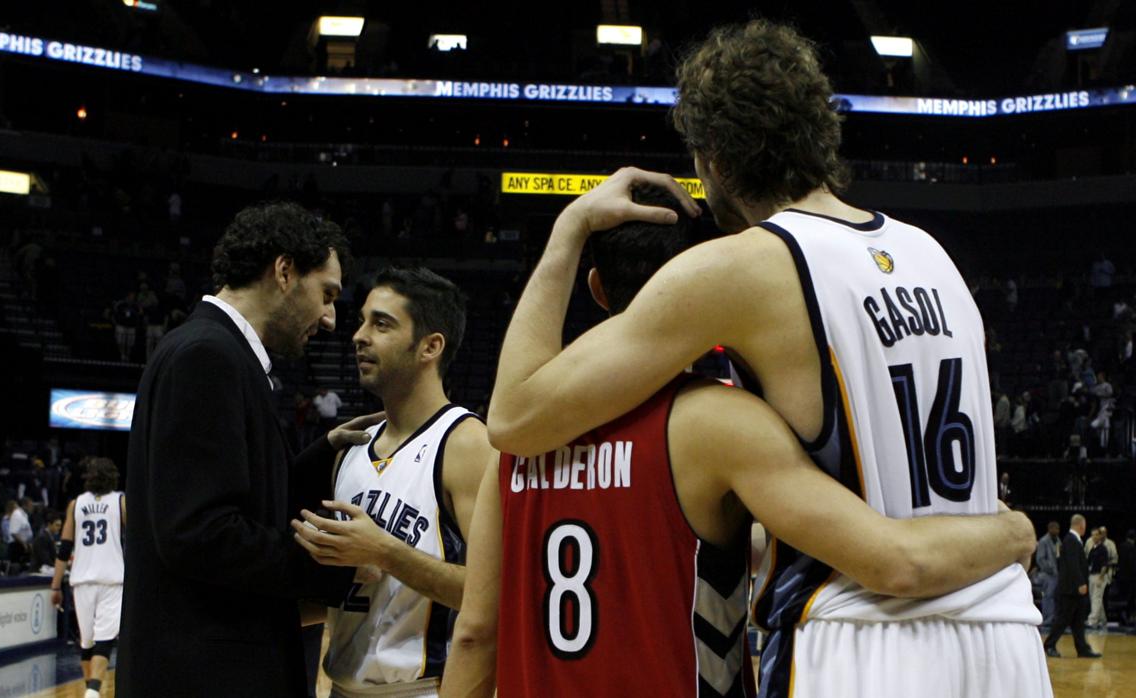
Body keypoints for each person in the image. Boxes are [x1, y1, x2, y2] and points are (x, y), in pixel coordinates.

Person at [484, 21, 1049, 697]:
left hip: (867, 636)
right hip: (1004, 630)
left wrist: (568, 227)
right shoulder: (934, 255)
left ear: (713, 161)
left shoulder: (745, 265)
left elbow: (515, 416)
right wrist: (1013, 533)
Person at [441, 187, 1037, 697]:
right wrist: (1010, 531)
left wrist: (569, 227)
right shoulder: (719, 423)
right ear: (705, 280)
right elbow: (886, 557)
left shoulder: (511, 448)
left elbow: (473, 633)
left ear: (596, 288)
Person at [118, 201, 376, 698]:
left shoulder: (213, 350)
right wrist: (334, 565)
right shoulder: (207, 356)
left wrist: (320, 453)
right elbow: (200, 533)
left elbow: (232, 491)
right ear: (283, 271)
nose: (329, 319)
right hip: (205, 676)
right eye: (326, 294)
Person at [293, 268, 495, 697]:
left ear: (430, 346)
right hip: (341, 687)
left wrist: (384, 551)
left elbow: (491, 597)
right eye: (363, 321)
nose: (359, 336)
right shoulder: (349, 448)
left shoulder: (466, 445)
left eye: (381, 324)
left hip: (421, 689)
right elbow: (345, 597)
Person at [52, 459, 125, 698]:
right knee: (104, 639)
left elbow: (65, 548)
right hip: (112, 577)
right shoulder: (120, 502)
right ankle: (93, 691)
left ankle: (90, 691)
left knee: (87, 641)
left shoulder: (76, 504)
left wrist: (55, 585)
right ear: (113, 477)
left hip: (82, 578)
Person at [1044, 514, 1101, 657]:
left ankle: (1082, 649)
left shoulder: (1073, 540)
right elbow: (1072, 565)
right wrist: (1080, 583)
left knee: (1078, 622)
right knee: (1063, 619)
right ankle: (1049, 645)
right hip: (1070, 590)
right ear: (1081, 525)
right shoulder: (1071, 540)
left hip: (1073, 590)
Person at [1034, 521, 1061, 626]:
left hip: (1056, 575)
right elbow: (1040, 559)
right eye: (1055, 529)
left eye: (1058, 529)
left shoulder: (1058, 541)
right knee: (1048, 596)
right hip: (1047, 575)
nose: (1057, 531)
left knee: (1054, 597)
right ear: (1050, 529)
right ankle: (1047, 619)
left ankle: (1053, 618)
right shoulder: (1043, 541)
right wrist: (1050, 569)